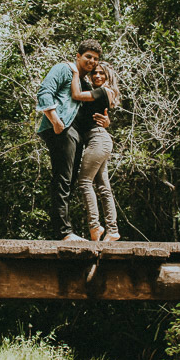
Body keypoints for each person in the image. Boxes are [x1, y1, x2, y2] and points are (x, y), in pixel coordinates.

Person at [36, 39, 109, 240]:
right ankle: (64, 233)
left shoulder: (85, 84)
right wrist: (55, 121)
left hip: (77, 135)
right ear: (78, 56)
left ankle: (67, 231)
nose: (92, 61)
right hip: (62, 129)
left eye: (95, 59)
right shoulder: (63, 69)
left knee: (68, 182)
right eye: (88, 57)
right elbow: (44, 92)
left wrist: (105, 121)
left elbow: (92, 111)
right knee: (62, 179)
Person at [70, 60, 121, 241]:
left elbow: (75, 94)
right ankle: (113, 230)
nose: (97, 76)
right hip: (99, 139)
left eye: (102, 73)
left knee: (84, 182)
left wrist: (75, 72)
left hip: (98, 139)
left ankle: (95, 227)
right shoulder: (99, 93)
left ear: (108, 76)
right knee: (103, 187)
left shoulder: (103, 91)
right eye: (95, 73)